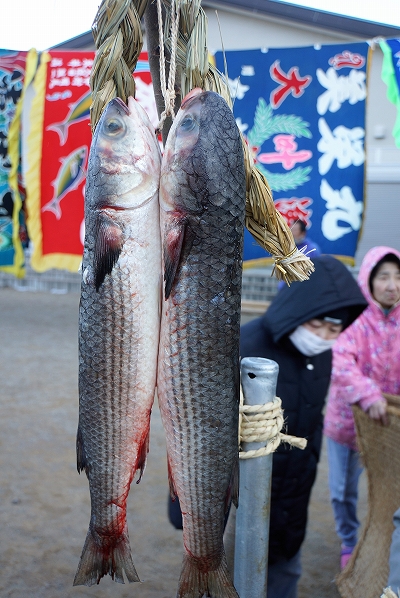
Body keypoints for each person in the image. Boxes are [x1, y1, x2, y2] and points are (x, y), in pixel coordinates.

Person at [240, 255, 367, 598]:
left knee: (285, 570)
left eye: (334, 330)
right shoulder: (246, 345)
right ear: (299, 309)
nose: (324, 336)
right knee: (232, 571)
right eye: (318, 325)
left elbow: (314, 418)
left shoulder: (322, 354)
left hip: (293, 494)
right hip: (239, 497)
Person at [324, 246, 400, 570]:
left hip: (389, 428)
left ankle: (388, 547)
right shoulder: (352, 317)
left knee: (391, 492)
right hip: (347, 426)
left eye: (398, 277)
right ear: (369, 279)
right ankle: (349, 539)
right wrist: (369, 395)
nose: (392, 285)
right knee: (343, 492)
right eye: (383, 276)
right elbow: (341, 363)